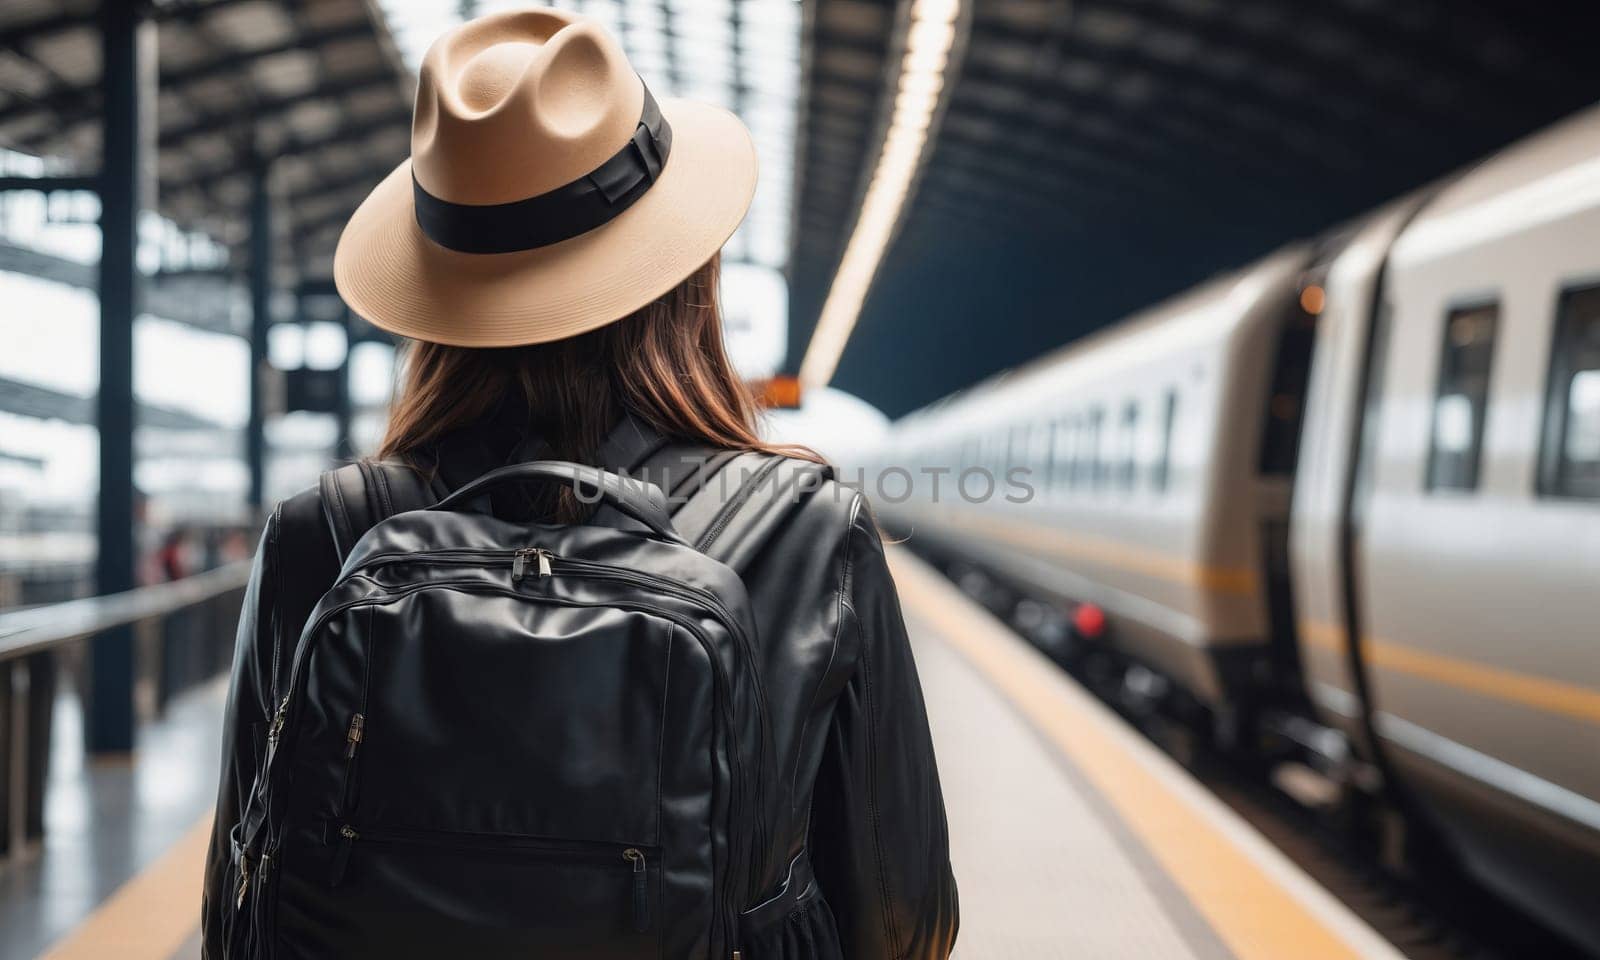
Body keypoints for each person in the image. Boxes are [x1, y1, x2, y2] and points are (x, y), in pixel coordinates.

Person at [201, 8, 956, 958]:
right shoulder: (806, 533)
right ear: (687, 276)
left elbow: (239, 902)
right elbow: (905, 914)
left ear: (437, 294)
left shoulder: (325, 532)